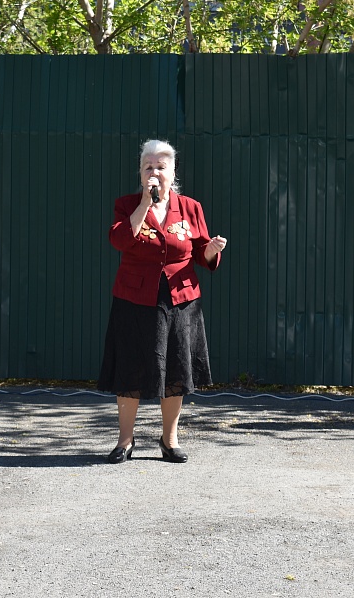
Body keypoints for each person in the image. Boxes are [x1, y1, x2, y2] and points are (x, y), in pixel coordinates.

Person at [98, 139, 227, 464]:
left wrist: (212, 250)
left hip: (181, 301)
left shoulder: (190, 207)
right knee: (130, 368)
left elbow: (200, 253)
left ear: (173, 172)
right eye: (148, 167)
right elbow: (120, 240)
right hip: (134, 299)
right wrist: (145, 202)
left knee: (176, 371)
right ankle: (125, 441)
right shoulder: (127, 205)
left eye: (160, 167)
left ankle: (170, 441)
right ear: (140, 173)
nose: (154, 172)